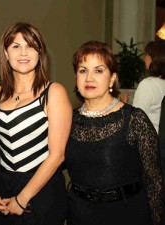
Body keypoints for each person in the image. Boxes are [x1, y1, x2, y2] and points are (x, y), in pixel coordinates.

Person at [65, 41, 164, 225]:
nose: (89, 78)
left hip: (125, 215)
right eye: (83, 70)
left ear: (112, 79)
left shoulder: (134, 119)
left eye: (99, 70)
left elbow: (154, 180)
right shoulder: (67, 120)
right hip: (78, 215)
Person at [0, 22, 72, 225]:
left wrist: (22, 198)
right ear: (6, 54)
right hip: (3, 190)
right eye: (16, 46)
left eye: (30, 46)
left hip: (42, 191)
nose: (23, 52)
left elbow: (57, 155)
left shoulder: (53, 93)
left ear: (40, 52)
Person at [133, 40, 165, 133]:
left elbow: (135, 120)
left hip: (150, 142)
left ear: (154, 58)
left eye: (146, 54)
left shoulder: (148, 84)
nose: (144, 58)